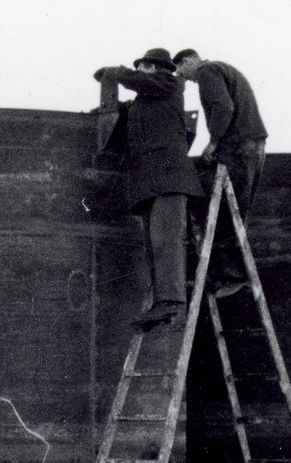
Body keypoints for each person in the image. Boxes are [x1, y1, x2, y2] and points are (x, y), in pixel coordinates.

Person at [94, 47, 204, 329]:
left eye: (141, 67)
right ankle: (161, 302)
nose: (138, 72)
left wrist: (115, 72)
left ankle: (170, 301)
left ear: (154, 67)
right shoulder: (144, 101)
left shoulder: (169, 83)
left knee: (165, 240)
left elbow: (136, 81)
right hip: (149, 183)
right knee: (153, 244)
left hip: (168, 178)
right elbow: (122, 115)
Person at [173, 48, 268, 295]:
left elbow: (223, 107)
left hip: (236, 145)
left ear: (187, 61)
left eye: (182, 71)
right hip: (251, 144)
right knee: (237, 206)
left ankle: (230, 275)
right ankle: (231, 272)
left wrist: (214, 141)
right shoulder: (222, 68)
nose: (185, 78)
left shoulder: (207, 71)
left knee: (223, 206)